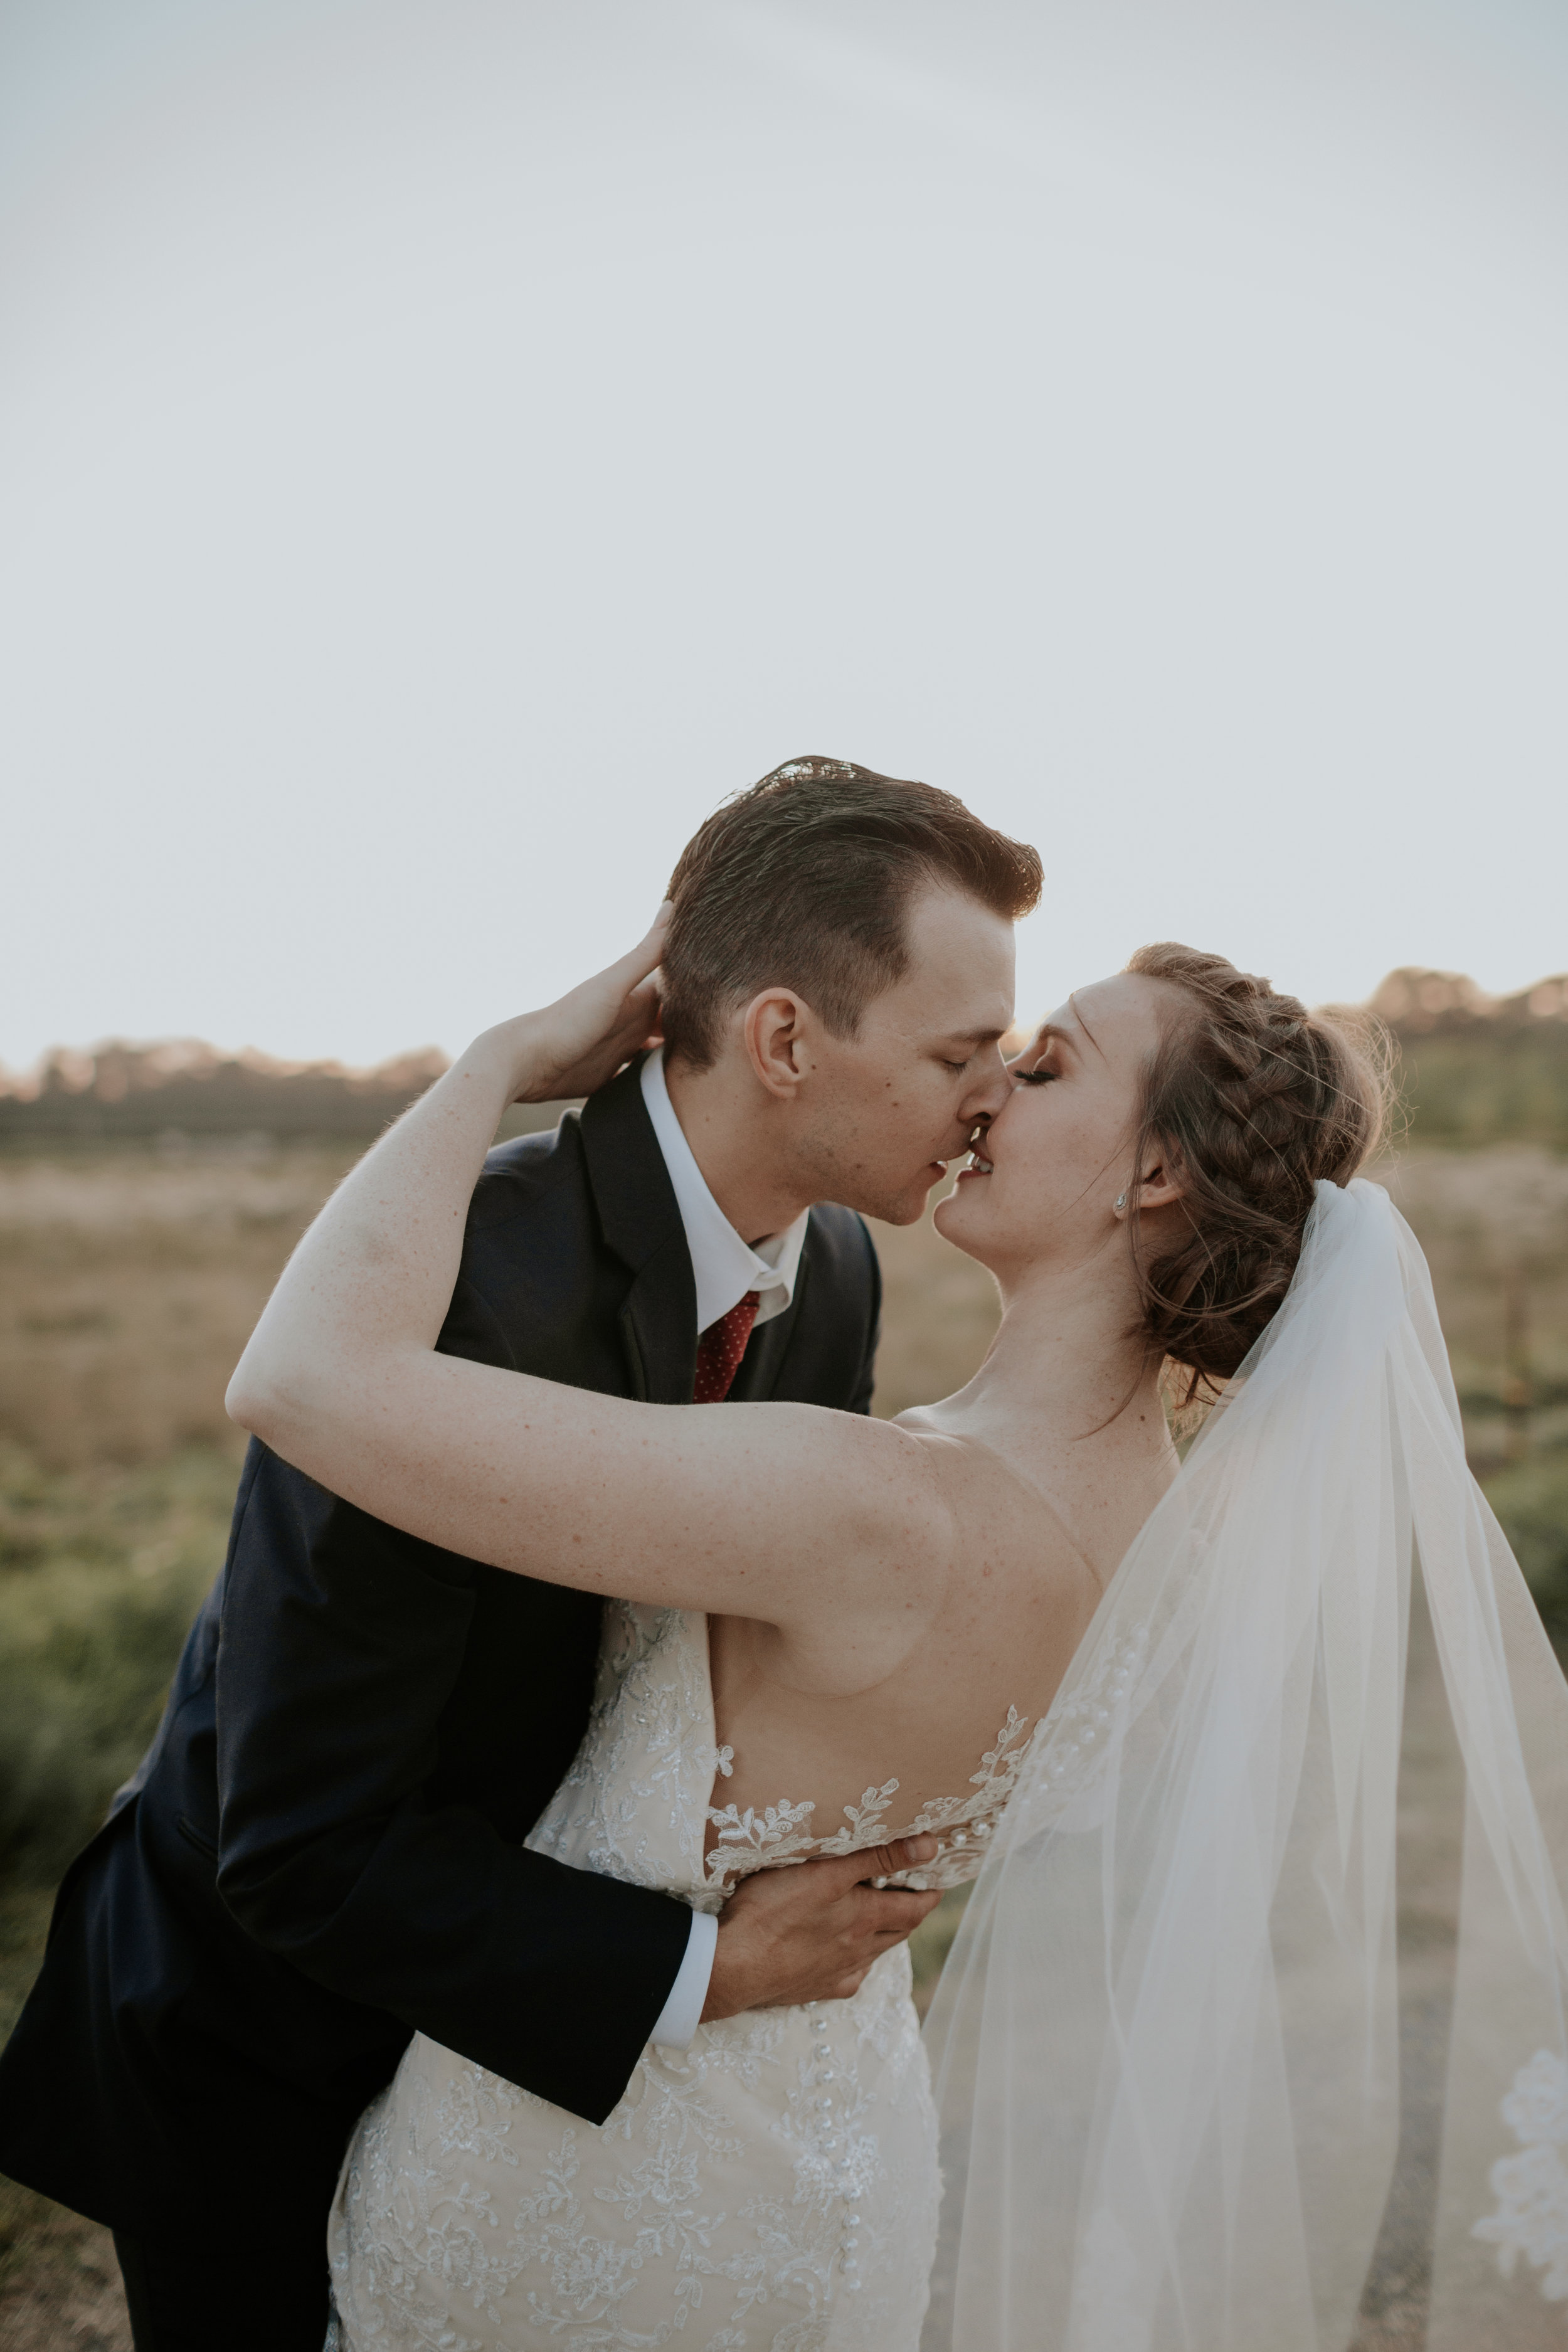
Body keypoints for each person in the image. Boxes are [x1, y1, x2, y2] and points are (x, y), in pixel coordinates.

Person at [225, 919, 1522, 2350]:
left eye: (1041, 1068)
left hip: (588, 2178)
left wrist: (497, 1063)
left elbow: (307, 1379)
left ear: (1151, 1173)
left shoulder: (876, 1510)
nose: (983, 1096)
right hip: (842, 2163)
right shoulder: (1179, 1541)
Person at [0, 758, 1043, 2352]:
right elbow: (294, 1841)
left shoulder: (830, 1271)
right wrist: (707, 1966)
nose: (993, 1094)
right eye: (958, 1051)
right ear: (782, 1040)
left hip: (523, 2056)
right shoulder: (459, 1293)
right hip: (269, 2038)